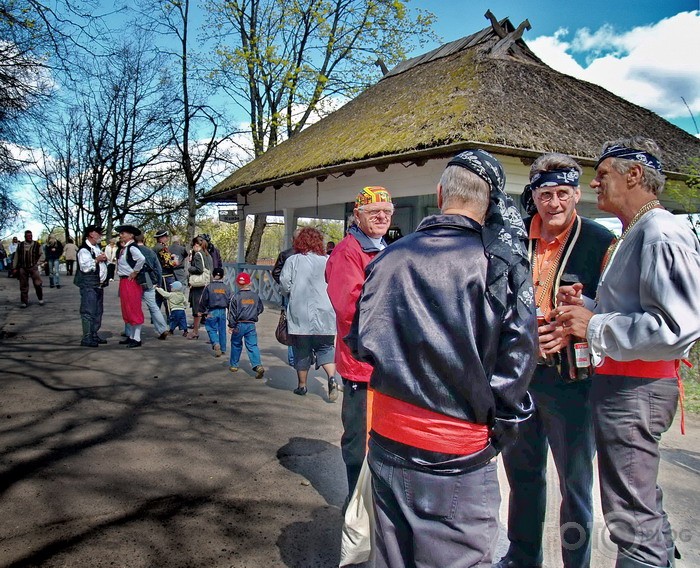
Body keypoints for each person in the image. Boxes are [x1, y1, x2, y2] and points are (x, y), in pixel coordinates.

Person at [348, 149, 537, 568]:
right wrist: (500, 429)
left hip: (387, 441)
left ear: (439, 194)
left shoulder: (387, 258)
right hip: (457, 451)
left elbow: (359, 342)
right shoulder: (500, 263)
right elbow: (519, 359)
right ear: (490, 201)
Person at [555, 137, 700, 568]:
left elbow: (677, 326)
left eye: (603, 176)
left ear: (634, 175)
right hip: (625, 384)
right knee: (639, 503)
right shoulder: (637, 232)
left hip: (635, 389)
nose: (594, 185)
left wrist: (594, 325)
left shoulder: (659, 232)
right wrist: (588, 307)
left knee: (630, 518)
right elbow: (640, 311)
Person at [495, 154, 615, 568]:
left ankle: (575, 564)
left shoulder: (601, 242)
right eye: (546, 194)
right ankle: (522, 556)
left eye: (563, 193)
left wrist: (579, 323)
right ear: (534, 195)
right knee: (523, 476)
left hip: (573, 381)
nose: (555, 203)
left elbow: (617, 311)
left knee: (576, 485)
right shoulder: (512, 240)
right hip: (521, 376)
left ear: (577, 194)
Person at [325, 186, 393, 498]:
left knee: (384, 438)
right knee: (359, 441)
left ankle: (375, 503)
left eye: (387, 212)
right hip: (360, 364)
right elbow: (349, 308)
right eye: (374, 212)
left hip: (387, 364)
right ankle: (355, 505)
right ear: (358, 215)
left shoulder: (386, 247)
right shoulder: (348, 251)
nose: (382, 217)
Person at [279, 227, 338, 400]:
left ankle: (302, 386)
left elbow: (284, 285)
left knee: (301, 349)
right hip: (325, 310)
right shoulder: (328, 260)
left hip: (301, 311)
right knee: (326, 347)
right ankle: (332, 378)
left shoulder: (293, 260)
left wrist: (289, 293)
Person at [272, 228, 301, 367]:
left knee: (290, 323)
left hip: (289, 293)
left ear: (292, 240)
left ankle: (292, 358)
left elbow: (276, 273)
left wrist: (285, 286)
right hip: (307, 294)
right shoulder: (312, 255)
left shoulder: (285, 254)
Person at [75, 225, 108, 347]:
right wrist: (97, 259)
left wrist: (103, 259)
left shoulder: (96, 247)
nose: (100, 235)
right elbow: (85, 267)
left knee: (98, 311)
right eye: (98, 233)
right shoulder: (84, 250)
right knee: (88, 310)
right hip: (88, 285)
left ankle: (93, 333)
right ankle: (87, 337)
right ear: (91, 234)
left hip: (98, 285)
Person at [227, 272, 265, 379]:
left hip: (239, 324)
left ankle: (234, 365)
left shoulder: (235, 297)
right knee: (252, 345)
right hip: (251, 324)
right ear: (250, 283)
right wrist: (254, 314)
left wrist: (231, 325)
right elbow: (260, 309)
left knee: (236, 344)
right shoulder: (255, 296)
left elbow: (232, 313)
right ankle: (257, 365)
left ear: (238, 284)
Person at [115, 224, 146, 348]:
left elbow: (141, 259)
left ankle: (136, 338)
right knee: (127, 308)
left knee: (133, 307)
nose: (121, 235)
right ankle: (132, 336)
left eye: (123, 233)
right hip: (124, 281)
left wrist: (135, 271)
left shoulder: (132, 247)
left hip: (130, 281)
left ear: (131, 235)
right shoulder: (125, 248)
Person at [135, 234, 169, 340]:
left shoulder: (131, 251)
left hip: (134, 281)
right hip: (148, 280)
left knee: (133, 306)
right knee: (153, 307)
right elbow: (158, 268)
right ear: (144, 240)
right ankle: (162, 328)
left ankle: (130, 332)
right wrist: (158, 282)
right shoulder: (150, 251)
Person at [200, 267, 232, 357]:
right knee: (222, 330)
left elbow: (204, 300)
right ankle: (223, 348)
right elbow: (230, 301)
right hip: (222, 311)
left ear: (212, 275)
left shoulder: (208, 287)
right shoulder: (226, 288)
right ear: (223, 277)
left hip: (212, 311)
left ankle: (215, 342)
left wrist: (201, 311)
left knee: (211, 328)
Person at [187, 236, 213, 339]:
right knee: (206, 309)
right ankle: (212, 334)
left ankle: (195, 331)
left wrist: (190, 268)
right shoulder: (208, 255)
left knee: (197, 308)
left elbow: (199, 269)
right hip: (207, 284)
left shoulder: (198, 255)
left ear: (196, 245)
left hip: (198, 285)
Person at [13, 230, 45, 308]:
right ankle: (24, 302)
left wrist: (38, 263)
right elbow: (16, 256)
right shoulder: (20, 245)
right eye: (28, 236)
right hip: (23, 267)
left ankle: (40, 298)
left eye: (31, 235)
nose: (30, 237)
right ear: (25, 237)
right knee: (23, 285)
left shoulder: (37, 245)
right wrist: (14, 267)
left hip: (33, 267)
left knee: (37, 283)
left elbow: (42, 255)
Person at [153, 228, 178, 308]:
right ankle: (170, 319)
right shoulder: (162, 248)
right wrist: (175, 260)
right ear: (161, 238)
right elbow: (167, 263)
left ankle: (155, 319)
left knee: (158, 299)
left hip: (158, 276)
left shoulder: (155, 248)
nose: (167, 238)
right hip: (165, 276)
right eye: (166, 237)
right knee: (168, 298)